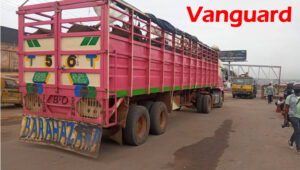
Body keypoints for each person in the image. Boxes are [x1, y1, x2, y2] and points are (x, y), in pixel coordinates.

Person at [283, 83, 300, 154]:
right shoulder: (289, 97)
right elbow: (286, 109)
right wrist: (286, 119)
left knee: (297, 131)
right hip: (293, 116)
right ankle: (298, 148)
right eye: (296, 89)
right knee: (298, 131)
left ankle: (291, 141)